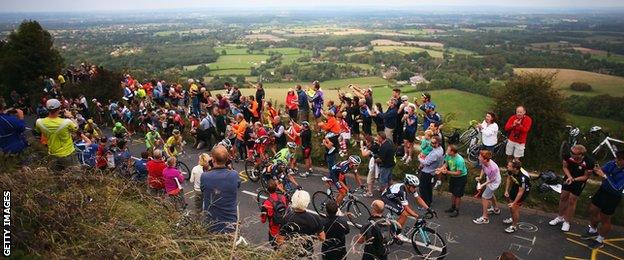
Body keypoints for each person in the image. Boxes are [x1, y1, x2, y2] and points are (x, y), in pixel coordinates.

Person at [583, 151, 624, 249]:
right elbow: (601, 171)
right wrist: (594, 171)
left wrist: (605, 176)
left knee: (605, 218)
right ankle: (593, 230)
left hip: (613, 196)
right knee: (592, 210)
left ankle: (600, 240)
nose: (615, 161)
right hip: (603, 191)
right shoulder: (612, 163)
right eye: (616, 158)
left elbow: (617, 188)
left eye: (618, 160)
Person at [549, 145, 594, 232]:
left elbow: (585, 177)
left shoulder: (589, 162)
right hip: (569, 176)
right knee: (563, 197)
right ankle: (560, 217)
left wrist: (574, 180)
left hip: (579, 180)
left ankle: (567, 221)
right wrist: (569, 177)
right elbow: (565, 167)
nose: (572, 155)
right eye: (571, 153)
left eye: (574, 154)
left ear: (581, 155)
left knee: (572, 200)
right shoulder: (567, 156)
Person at [201, 145, 240, 233]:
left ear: (213, 160)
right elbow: (237, 185)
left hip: (211, 224)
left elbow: (203, 190)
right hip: (230, 224)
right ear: (227, 160)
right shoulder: (234, 175)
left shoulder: (205, 176)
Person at [381, 174, 432, 242]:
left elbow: (418, 198)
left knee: (404, 213)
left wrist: (428, 209)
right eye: (414, 187)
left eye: (416, 187)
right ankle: (396, 234)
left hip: (393, 198)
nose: (415, 189)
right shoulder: (402, 191)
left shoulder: (409, 187)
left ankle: (393, 228)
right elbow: (406, 208)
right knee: (404, 214)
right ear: (408, 185)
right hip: (386, 199)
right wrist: (417, 216)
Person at [35, 99, 79, 171]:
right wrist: (70, 116)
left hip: (53, 153)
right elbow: (76, 127)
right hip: (68, 153)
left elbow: (38, 131)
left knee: (57, 173)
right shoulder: (66, 122)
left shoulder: (39, 122)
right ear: (59, 109)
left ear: (47, 109)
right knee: (76, 172)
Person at [280, 190, 325, 257]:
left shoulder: (287, 218)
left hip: (291, 252)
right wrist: (313, 237)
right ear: (307, 202)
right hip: (307, 251)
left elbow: (280, 240)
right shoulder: (315, 218)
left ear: (293, 201)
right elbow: (322, 238)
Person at [436, 144, 468, 217]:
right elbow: (446, 164)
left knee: (458, 195)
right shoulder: (448, 156)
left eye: (448, 150)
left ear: (453, 152)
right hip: (453, 177)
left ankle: (456, 210)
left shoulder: (460, 160)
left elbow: (458, 172)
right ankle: (452, 207)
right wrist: (441, 169)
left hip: (460, 178)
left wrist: (447, 172)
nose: (446, 151)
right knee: (453, 193)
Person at [473, 150, 502, 225]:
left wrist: (482, 185)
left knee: (484, 197)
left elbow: (492, 180)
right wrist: (480, 177)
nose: (479, 158)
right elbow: (483, 168)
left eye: (480, 157)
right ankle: (496, 209)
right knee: (490, 194)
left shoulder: (493, 168)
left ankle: (485, 218)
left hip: (494, 182)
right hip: (489, 179)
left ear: (485, 159)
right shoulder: (483, 162)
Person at [502, 160, 530, 233]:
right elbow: (509, 179)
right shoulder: (511, 171)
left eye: (509, 166)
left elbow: (521, 192)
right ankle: (512, 218)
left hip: (523, 191)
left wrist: (514, 203)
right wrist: (506, 190)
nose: (507, 166)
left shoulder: (523, 177)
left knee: (515, 208)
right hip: (516, 185)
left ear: (515, 168)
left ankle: (514, 226)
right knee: (511, 204)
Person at [260, 179, 289, 248]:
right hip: (284, 226)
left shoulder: (266, 203)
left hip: (274, 230)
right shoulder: (283, 197)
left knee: (275, 247)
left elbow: (263, 220)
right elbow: (286, 208)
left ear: (267, 190)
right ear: (276, 188)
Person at [418, 136, 444, 206]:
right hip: (432, 172)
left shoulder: (435, 153)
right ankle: (429, 201)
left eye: (433, 143)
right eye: (431, 142)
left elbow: (426, 162)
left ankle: (425, 204)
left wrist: (419, 158)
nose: (431, 144)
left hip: (427, 172)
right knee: (428, 188)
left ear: (438, 143)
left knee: (423, 189)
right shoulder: (440, 149)